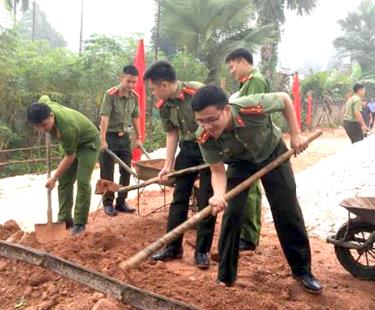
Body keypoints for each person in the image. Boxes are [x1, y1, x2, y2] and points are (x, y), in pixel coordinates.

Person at [191, 85, 322, 294]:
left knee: (287, 211)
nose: (207, 126)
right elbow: (217, 171)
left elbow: (284, 99)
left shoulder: (250, 108)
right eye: (201, 120)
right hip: (240, 163)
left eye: (211, 119)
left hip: (273, 154)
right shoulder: (204, 137)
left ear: (226, 109)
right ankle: (225, 276)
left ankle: (302, 271)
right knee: (231, 214)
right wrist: (218, 195)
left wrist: (295, 135)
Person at [143, 60, 215, 269]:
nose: (154, 93)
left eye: (154, 89)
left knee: (206, 200)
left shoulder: (198, 92)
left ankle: (202, 251)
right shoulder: (164, 105)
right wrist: (168, 164)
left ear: (164, 85)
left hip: (209, 150)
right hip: (188, 150)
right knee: (179, 198)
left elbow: (219, 116)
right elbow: (172, 133)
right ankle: (172, 247)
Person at [27, 95, 100, 235]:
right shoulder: (44, 106)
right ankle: (64, 219)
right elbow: (45, 97)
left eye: (44, 125)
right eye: (38, 127)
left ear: (51, 115)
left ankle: (80, 222)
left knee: (83, 181)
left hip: (87, 143)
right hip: (70, 145)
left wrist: (53, 177)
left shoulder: (67, 127)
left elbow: (70, 156)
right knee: (65, 180)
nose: (42, 130)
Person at [224, 48, 270, 252]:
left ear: (243, 61)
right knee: (248, 191)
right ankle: (247, 234)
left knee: (250, 192)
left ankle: (249, 237)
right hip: (246, 146)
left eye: (232, 66)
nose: (232, 72)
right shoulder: (247, 83)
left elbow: (250, 116)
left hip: (251, 147)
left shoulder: (256, 81)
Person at [99, 65, 141, 216]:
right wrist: (103, 140)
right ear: (121, 78)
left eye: (133, 82)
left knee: (126, 170)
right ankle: (108, 203)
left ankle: (121, 201)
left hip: (124, 138)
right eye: (128, 81)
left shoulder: (134, 97)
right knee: (107, 172)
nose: (130, 85)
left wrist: (139, 138)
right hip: (109, 136)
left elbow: (135, 117)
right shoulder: (110, 94)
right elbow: (105, 118)